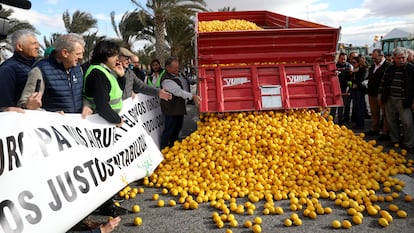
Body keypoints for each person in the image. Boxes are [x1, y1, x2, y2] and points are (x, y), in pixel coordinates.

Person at [18, 33, 91, 117]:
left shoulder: (78, 69)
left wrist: (86, 106)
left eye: (82, 53)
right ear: (65, 53)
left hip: (77, 127)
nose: (81, 57)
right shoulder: (40, 70)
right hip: (53, 128)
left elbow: (83, 95)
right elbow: (24, 104)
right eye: (78, 54)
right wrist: (51, 116)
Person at [159, 56, 200, 149]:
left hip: (179, 107)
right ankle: (164, 149)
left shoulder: (178, 74)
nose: (177, 69)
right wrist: (192, 96)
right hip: (171, 109)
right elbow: (178, 92)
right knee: (169, 129)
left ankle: (173, 146)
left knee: (177, 128)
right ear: (167, 67)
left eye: (178, 67)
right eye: (175, 67)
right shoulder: (166, 80)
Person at [379, 47, 414, 153]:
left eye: (403, 58)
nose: (402, 60)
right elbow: (383, 82)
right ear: (394, 58)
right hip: (390, 98)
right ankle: (395, 140)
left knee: (407, 122)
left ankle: (409, 143)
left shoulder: (411, 69)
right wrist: (380, 96)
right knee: (391, 120)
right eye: (399, 58)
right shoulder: (390, 68)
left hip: (403, 100)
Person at [83, 40, 125, 127]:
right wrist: (117, 120)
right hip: (103, 122)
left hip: (108, 120)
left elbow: (118, 92)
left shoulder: (105, 71)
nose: (117, 59)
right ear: (105, 56)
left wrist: (121, 76)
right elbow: (102, 107)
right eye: (114, 55)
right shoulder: (98, 74)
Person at [0, 29, 39, 110]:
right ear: (20, 47)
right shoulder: (7, 69)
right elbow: (5, 106)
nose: (37, 47)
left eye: (37, 44)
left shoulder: (38, 67)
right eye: (33, 44)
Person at [365, 49, 391, 139]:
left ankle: (385, 132)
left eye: (375, 58)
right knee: (374, 113)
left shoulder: (388, 66)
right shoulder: (373, 66)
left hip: (382, 94)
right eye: (372, 58)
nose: (373, 59)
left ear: (381, 56)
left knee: (385, 114)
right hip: (372, 93)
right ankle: (374, 129)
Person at [330, 52, 353, 125]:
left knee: (342, 104)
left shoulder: (349, 66)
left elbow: (351, 78)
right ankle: (332, 120)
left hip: (344, 87)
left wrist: (349, 86)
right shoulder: (335, 66)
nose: (343, 61)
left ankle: (340, 120)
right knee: (334, 104)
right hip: (335, 87)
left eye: (344, 59)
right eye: (342, 59)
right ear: (339, 59)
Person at [349, 56, 368, 129]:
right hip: (354, 89)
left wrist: (355, 74)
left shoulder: (364, 69)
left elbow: (361, 79)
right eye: (352, 63)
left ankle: (361, 124)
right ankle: (357, 122)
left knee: (360, 107)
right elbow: (351, 79)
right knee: (356, 106)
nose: (353, 64)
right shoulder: (354, 70)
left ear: (359, 62)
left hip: (360, 90)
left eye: (354, 63)